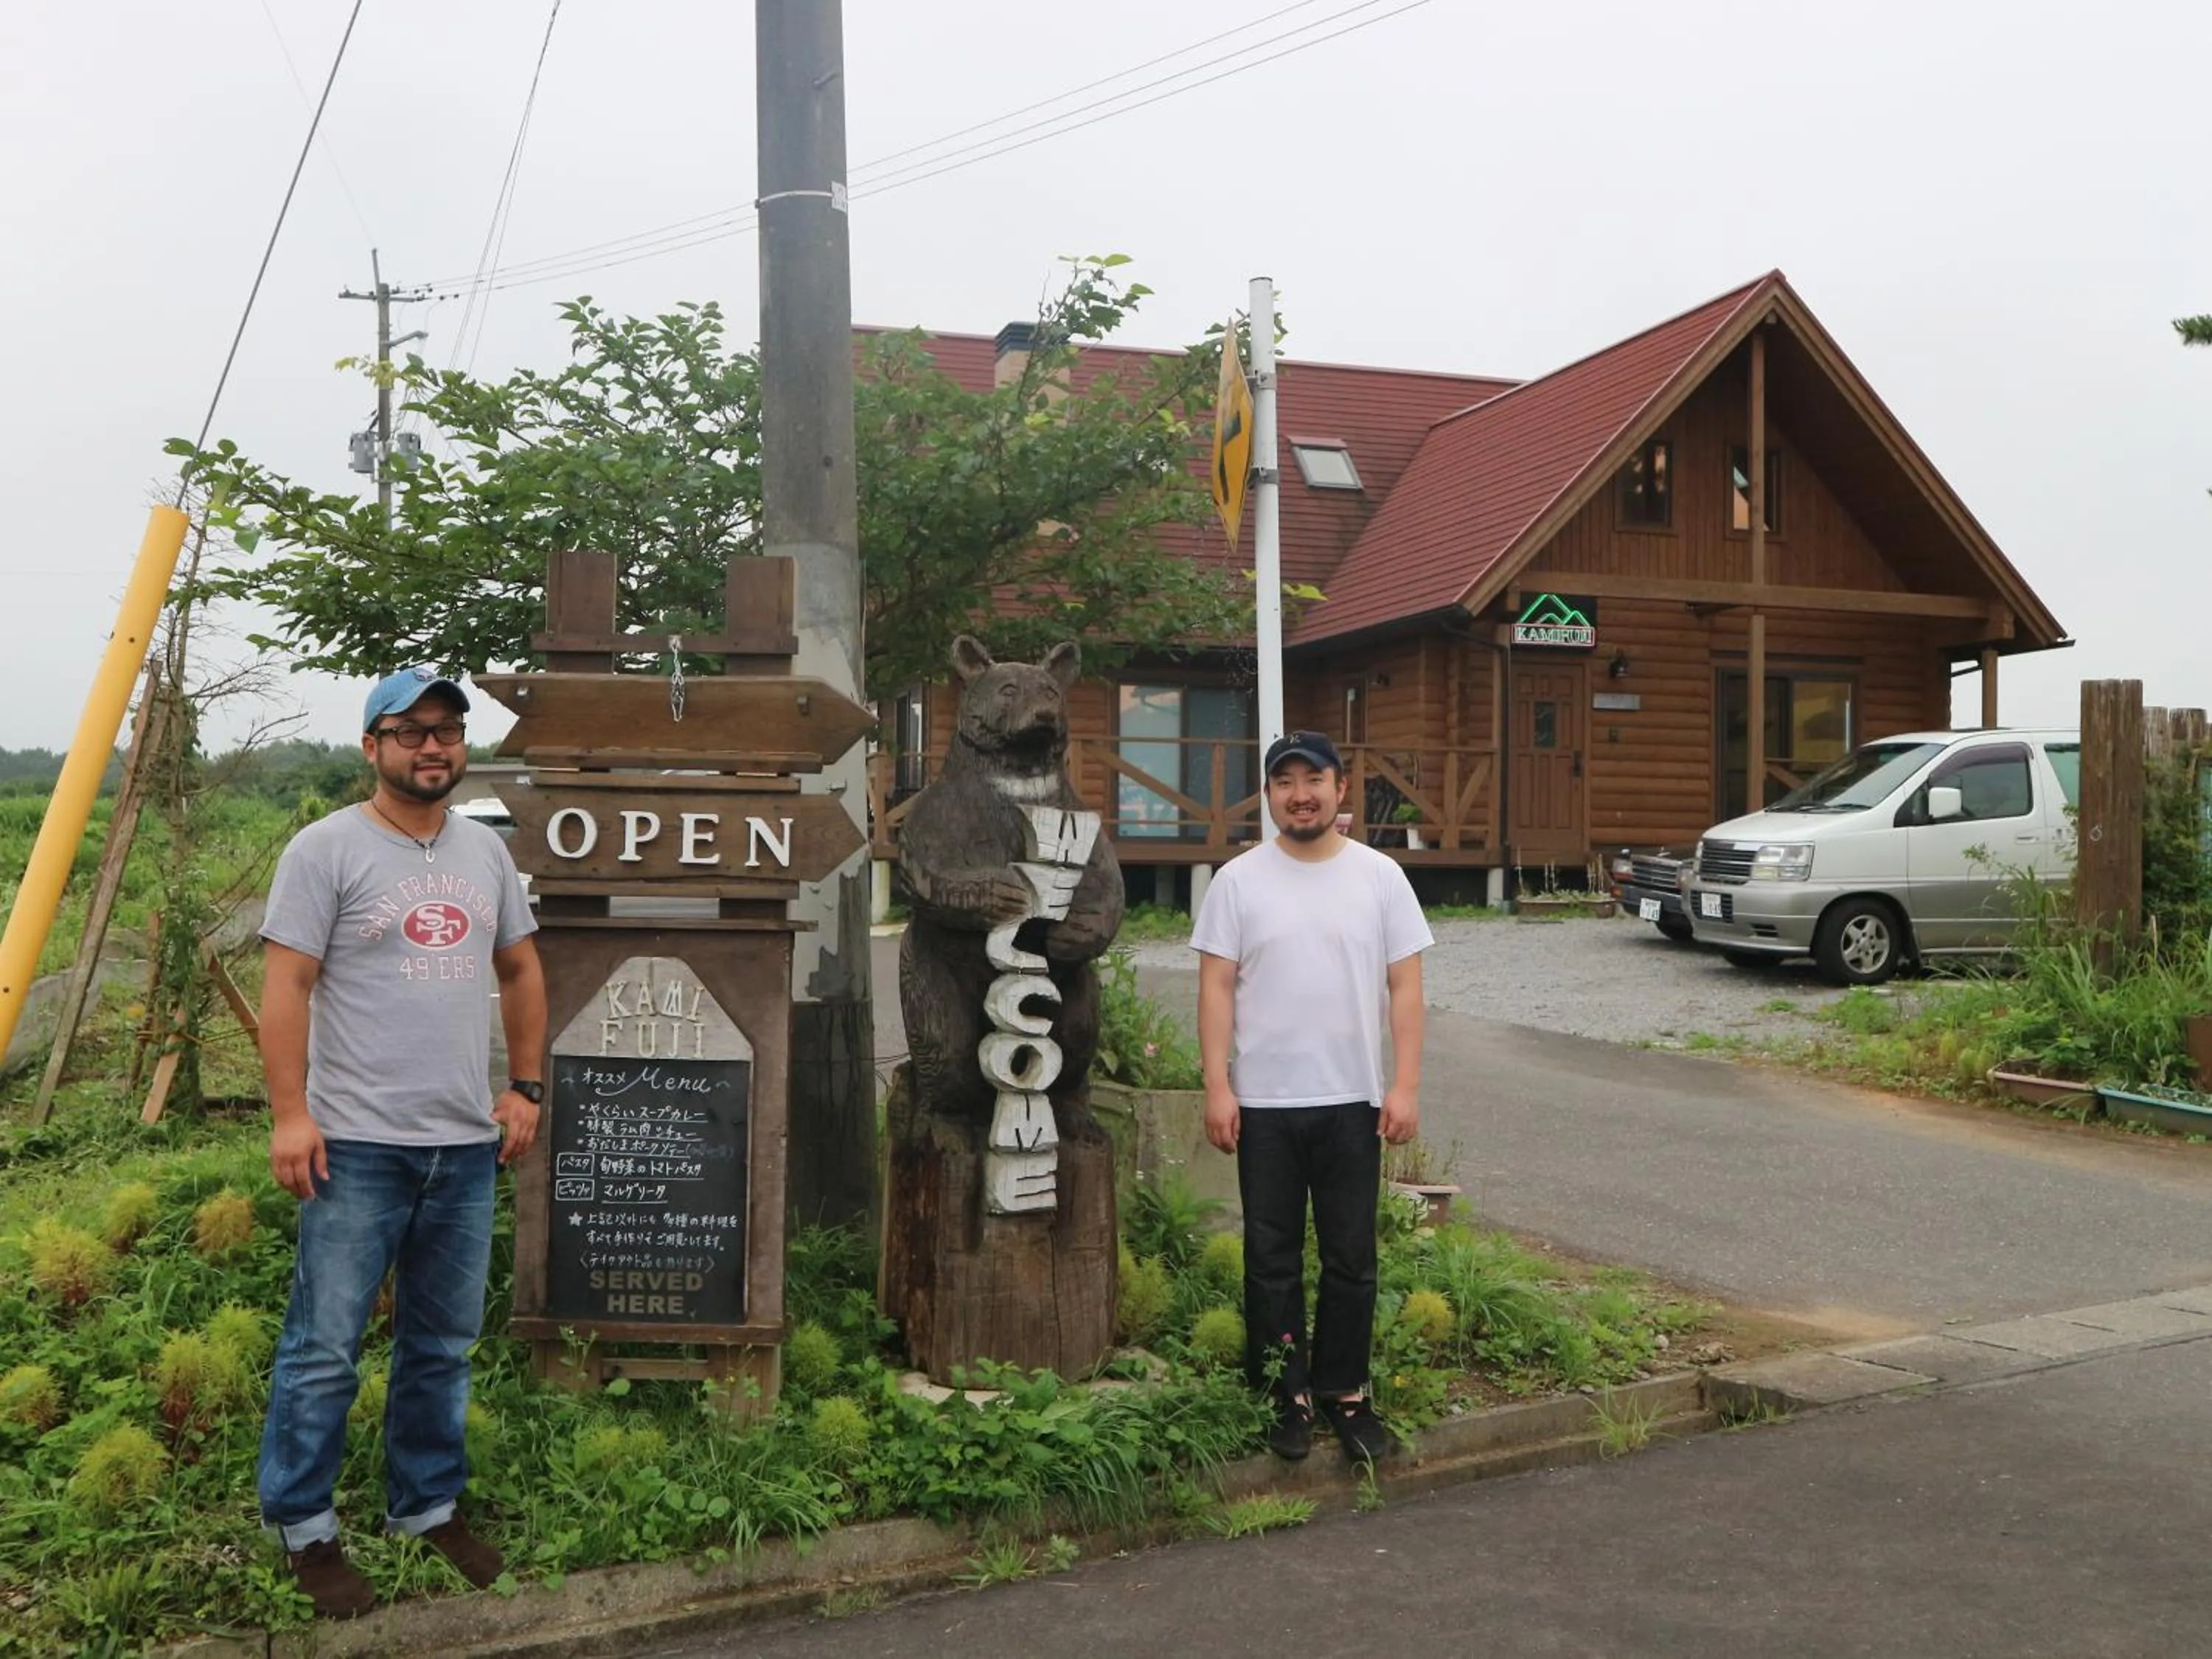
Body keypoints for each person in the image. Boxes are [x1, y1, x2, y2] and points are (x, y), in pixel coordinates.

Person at [254, 667, 546, 1618]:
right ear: (372, 745)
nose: (433, 746)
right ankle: (303, 1525)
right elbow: (287, 987)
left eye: (447, 730)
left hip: (463, 1146)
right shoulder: (325, 850)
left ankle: (425, 1506)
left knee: (442, 1344)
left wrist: (525, 1085)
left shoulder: (484, 852)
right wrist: (291, 1113)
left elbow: (520, 967)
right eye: (411, 729)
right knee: (324, 1347)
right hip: (355, 1146)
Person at [1189, 730, 1431, 1464]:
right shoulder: (1238, 882)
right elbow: (1215, 988)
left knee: (1352, 1256)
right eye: (1285, 782)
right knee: (1271, 1258)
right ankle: (1283, 1393)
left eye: (1313, 779)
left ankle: (1345, 1392)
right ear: (1268, 795)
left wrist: (1404, 1085)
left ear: (1339, 787)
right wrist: (1218, 1086)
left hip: (1352, 1099)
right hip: (1264, 1104)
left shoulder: (1380, 878)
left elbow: (1406, 986)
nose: (1301, 795)